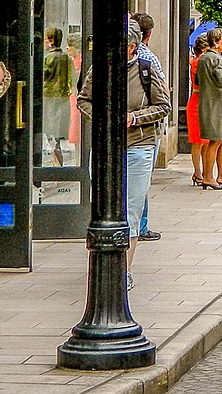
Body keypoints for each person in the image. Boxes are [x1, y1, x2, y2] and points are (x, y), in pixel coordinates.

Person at [77, 19, 171, 291]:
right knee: (102, 207)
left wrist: (134, 118)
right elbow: (84, 100)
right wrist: (104, 118)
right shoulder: (100, 69)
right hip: (106, 147)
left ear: (131, 47)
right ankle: (100, 265)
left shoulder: (146, 70)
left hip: (139, 147)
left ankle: (124, 271)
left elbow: (163, 106)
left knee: (131, 210)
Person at [133, 13, 166, 242]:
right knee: (141, 180)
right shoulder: (149, 59)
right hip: (145, 131)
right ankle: (140, 225)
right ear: (149, 33)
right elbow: (163, 95)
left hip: (134, 127)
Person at [196, 28, 222, 190]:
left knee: (220, 139)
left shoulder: (204, 58)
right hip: (215, 103)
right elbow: (221, 80)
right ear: (216, 42)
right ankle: (209, 177)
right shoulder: (215, 58)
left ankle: (216, 175)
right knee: (216, 140)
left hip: (209, 101)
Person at [42, 28, 73, 165]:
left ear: (51, 41)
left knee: (50, 127)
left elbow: (43, 75)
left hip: (49, 97)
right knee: (59, 127)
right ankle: (57, 151)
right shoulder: (66, 58)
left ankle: (55, 151)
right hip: (63, 97)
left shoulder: (49, 58)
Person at [187, 34, 209, 185]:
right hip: (197, 101)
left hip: (204, 101)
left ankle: (204, 171)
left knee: (206, 141)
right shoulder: (197, 62)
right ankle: (197, 171)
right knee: (197, 141)